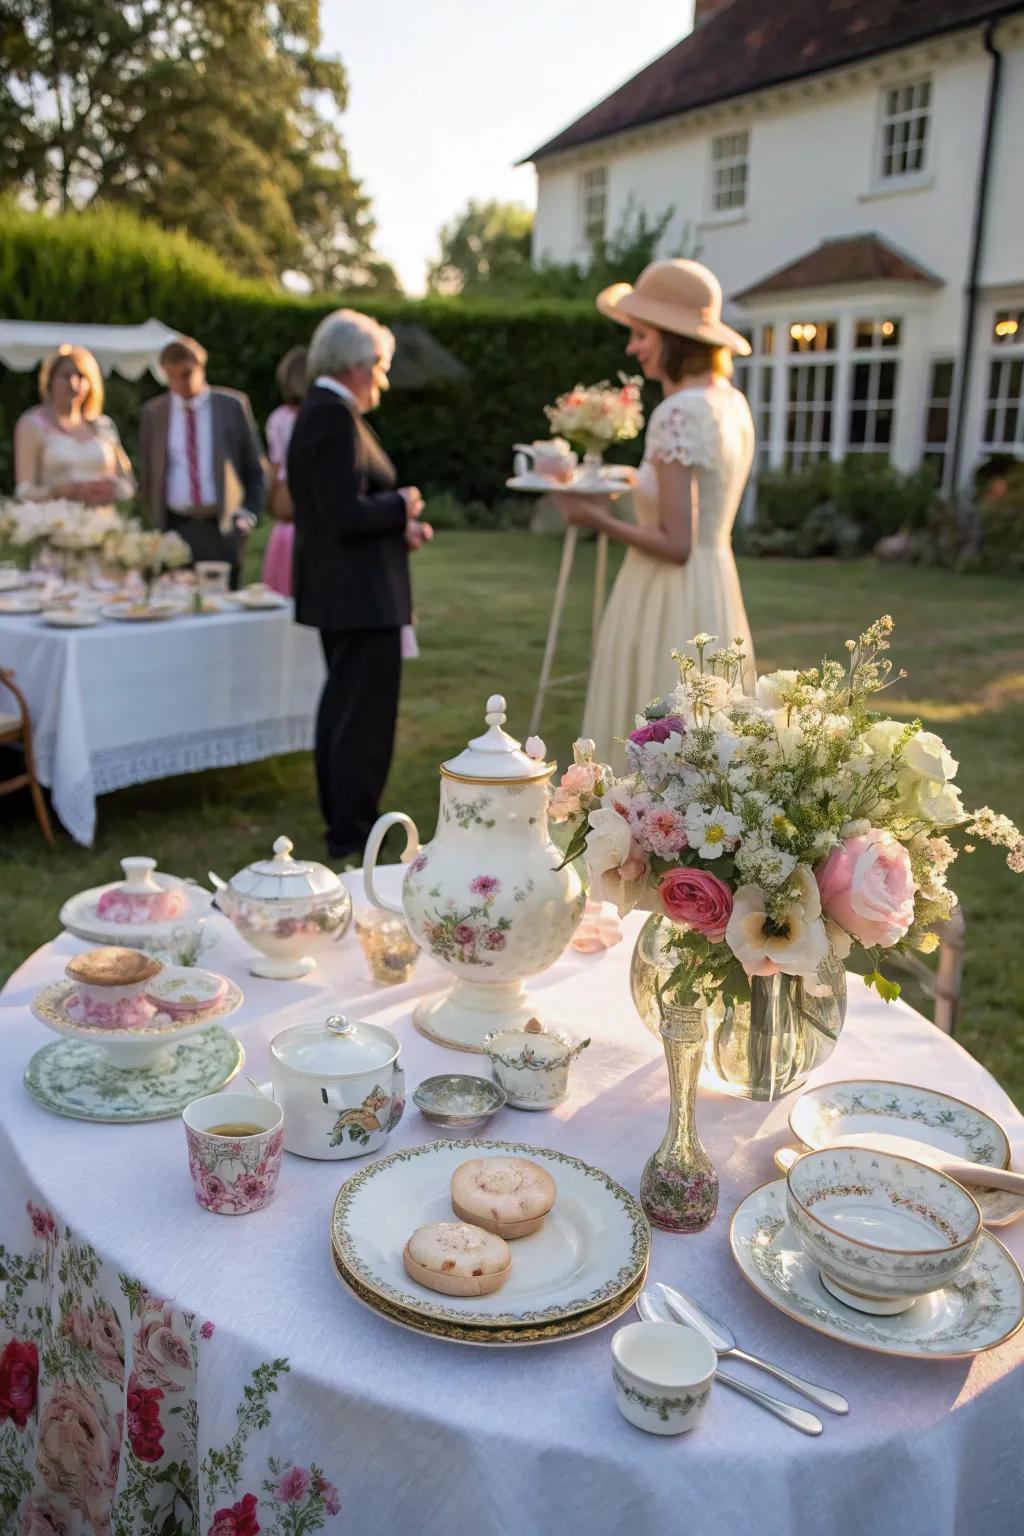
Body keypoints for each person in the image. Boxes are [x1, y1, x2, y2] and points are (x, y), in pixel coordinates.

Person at [555, 259, 757, 774]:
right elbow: (696, 500)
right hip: (713, 589)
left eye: (641, 335)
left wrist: (592, 517)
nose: (632, 347)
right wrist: (629, 480)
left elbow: (674, 541)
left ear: (673, 338)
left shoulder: (676, 412)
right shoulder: (730, 402)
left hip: (664, 596)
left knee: (653, 751)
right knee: (706, 759)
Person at [288, 308, 431, 861]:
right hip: (356, 597)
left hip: (351, 590)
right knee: (360, 718)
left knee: (348, 710)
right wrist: (401, 503)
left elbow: (341, 512)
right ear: (357, 364)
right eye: (382, 366)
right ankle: (352, 828)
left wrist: (401, 526)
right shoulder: (330, 416)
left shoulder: (327, 412)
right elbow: (342, 513)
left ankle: (351, 819)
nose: (384, 379)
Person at [138, 336, 265, 587]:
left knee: (221, 606)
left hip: (221, 527)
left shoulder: (231, 406)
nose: (178, 384)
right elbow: (148, 474)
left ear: (200, 367)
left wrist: (248, 514)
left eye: (185, 374)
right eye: (170, 377)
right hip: (174, 526)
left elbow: (255, 468)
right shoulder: (155, 413)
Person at [14, 345, 134, 507]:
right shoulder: (32, 424)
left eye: (81, 375)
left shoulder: (103, 426)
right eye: (65, 375)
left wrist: (113, 489)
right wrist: (57, 492)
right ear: (50, 381)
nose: (73, 383)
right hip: (56, 521)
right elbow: (24, 491)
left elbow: (128, 484)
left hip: (103, 524)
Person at [261, 346, 307, 595]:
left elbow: (275, 468)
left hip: (285, 506)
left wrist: (271, 502)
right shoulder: (322, 416)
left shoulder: (278, 418)